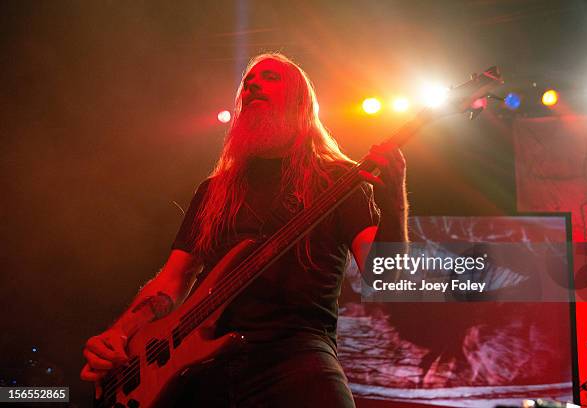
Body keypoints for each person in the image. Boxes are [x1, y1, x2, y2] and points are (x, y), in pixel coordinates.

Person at [80, 53, 408, 407]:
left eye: (269, 78)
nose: (252, 85)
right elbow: (172, 280)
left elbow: (387, 280)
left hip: (295, 355)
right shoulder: (215, 190)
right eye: (247, 83)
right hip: (200, 368)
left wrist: (394, 203)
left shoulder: (338, 181)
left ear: (300, 101)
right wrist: (120, 332)